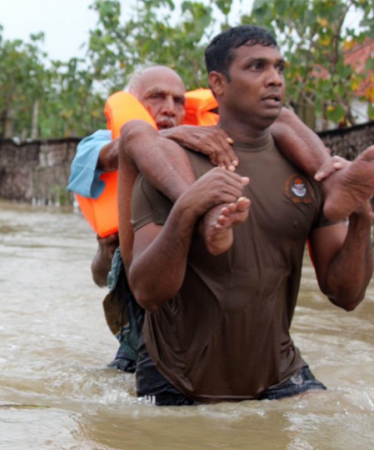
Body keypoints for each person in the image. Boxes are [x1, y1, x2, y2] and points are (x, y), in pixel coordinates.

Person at [127, 25, 374, 405]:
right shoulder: (171, 164)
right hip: (176, 378)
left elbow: (346, 295)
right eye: (257, 67)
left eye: (279, 68)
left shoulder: (307, 168)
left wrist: (361, 221)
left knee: (342, 421)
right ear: (218, 83)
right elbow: (148, 293)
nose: (274, 79)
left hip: (278, 373)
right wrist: (189, 208)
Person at [68, 65, 335, 372]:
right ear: (133, 102)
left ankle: (334, 177)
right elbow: (121, 150)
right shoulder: (102, 142)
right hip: (146, 323)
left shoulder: (212, 144)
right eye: (155, 97)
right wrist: (105, 252)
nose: (169, 108)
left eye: (178, 100)